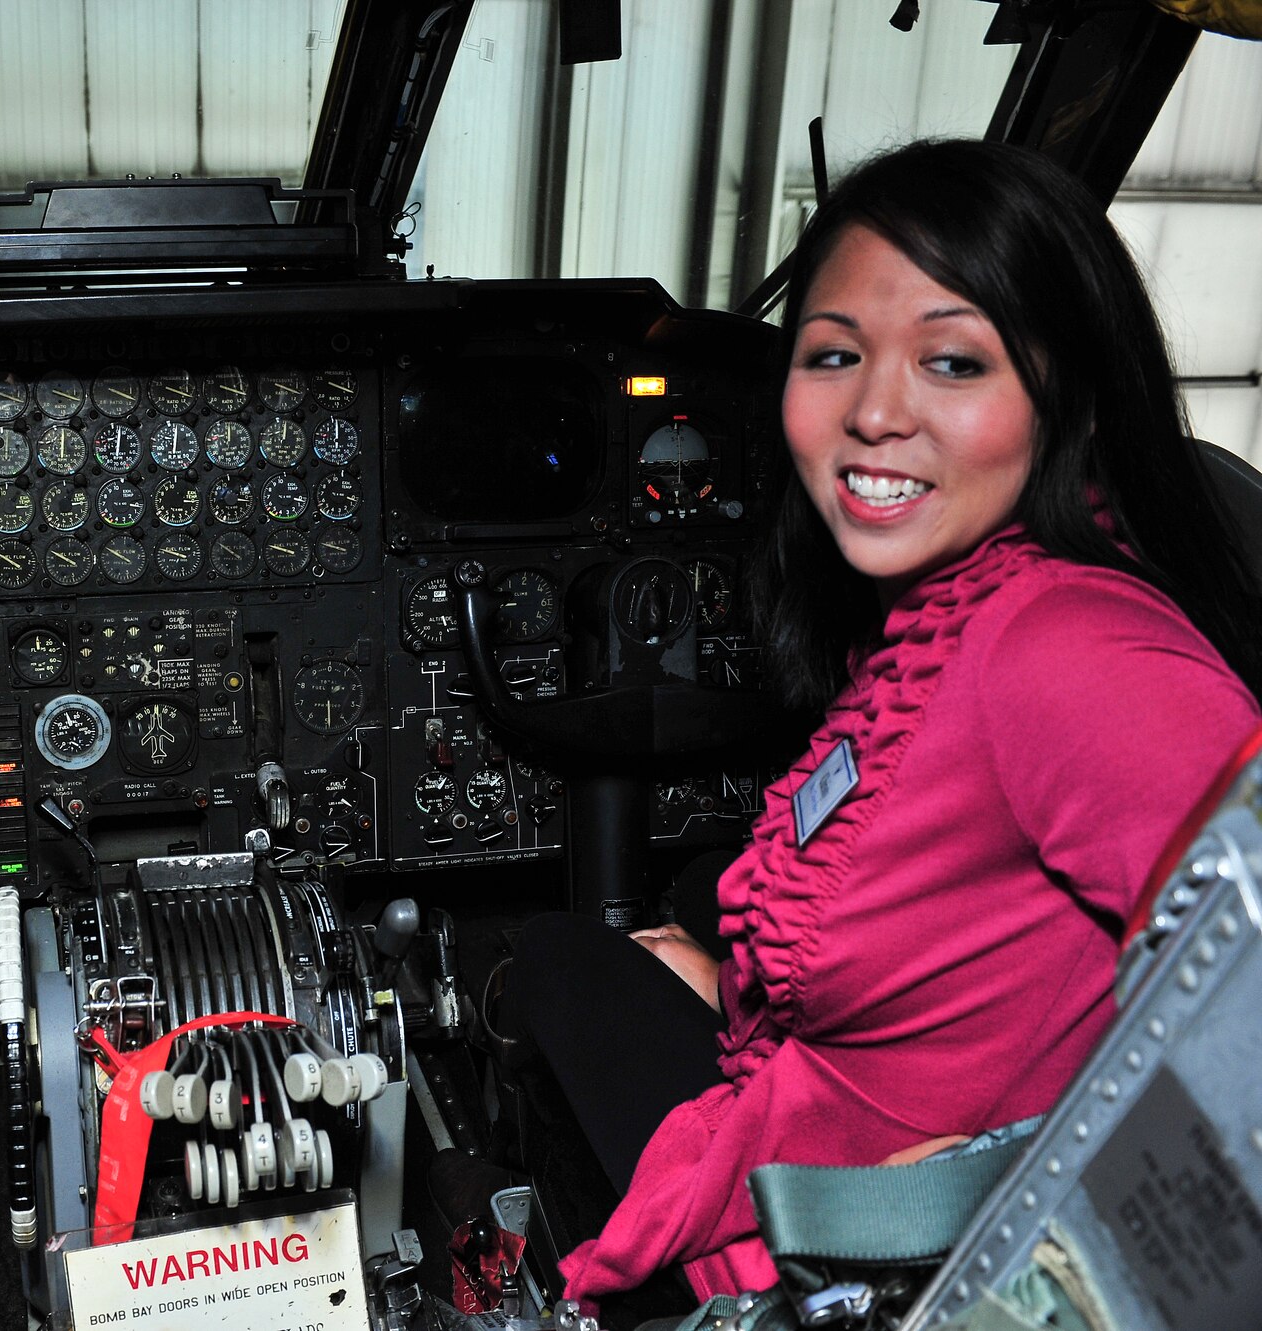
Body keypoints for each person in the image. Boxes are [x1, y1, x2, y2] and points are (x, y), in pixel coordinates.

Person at [505, 138, 1262, 1313]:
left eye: (950, 360)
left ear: (1062, 391)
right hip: (830, 1120)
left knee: (541, 970)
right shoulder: (942, 616)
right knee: (623, 946)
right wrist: (733, 988)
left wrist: (1000, 1177)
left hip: (875, 1246)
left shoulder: (1069, 653)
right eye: (832, 355)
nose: (872, 411)